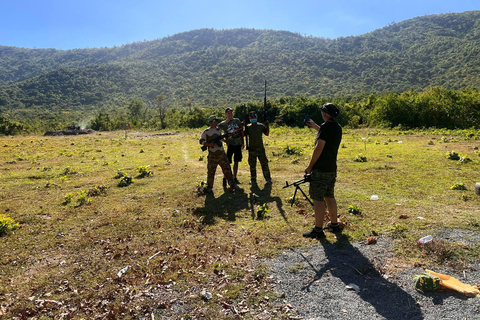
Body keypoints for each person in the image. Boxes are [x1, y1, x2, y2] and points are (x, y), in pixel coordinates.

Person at [303, 103, 342, 239]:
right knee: (329, 196)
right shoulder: (337, 128)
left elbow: (319, 147)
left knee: (318, 199)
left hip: (321, 169)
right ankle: (334, 224)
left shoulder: (326, 127)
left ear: (325, 114)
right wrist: (314, 126)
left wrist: (310, 167)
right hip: (331, 168)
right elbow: (327, 136)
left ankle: (318, 230)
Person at [199, 115, 237, 193]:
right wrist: (209, 145)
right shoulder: (206, 132)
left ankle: (232, 184)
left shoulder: (219, 130)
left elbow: (221, 138)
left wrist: (227, 138)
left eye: (216, 121)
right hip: (212, 155)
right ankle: (209, 187)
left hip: (221, 154)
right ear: (210, 122)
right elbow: (201, 141)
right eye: (213, 121)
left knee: (227, 170)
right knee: (211, 172)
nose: (215, 122)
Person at [219, 107, 244, 186]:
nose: (230, 114)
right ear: (226, 114)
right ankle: (225, 178)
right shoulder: (224, 123)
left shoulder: (237, 120)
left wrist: (242, 142)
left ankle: (234, 177)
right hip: (230, 145)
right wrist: (223, 140)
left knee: (236, 161)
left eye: (231, 113)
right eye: (228, 113)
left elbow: (241, 131)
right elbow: (217, 129)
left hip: (238, 143)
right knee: (228, 162)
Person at [245, 111, 272, 185]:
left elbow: (267, 133)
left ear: (256, 117)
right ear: (249, 118)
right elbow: (243, 134)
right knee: (252, 165)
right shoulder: (248, 127)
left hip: (260, 148)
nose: (253, 118)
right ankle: (253, 180)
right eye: (252, 117)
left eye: (254, 117)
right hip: (251, 149)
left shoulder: (261, 126)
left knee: (264, 164)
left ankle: (268, 179)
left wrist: (267, 125)